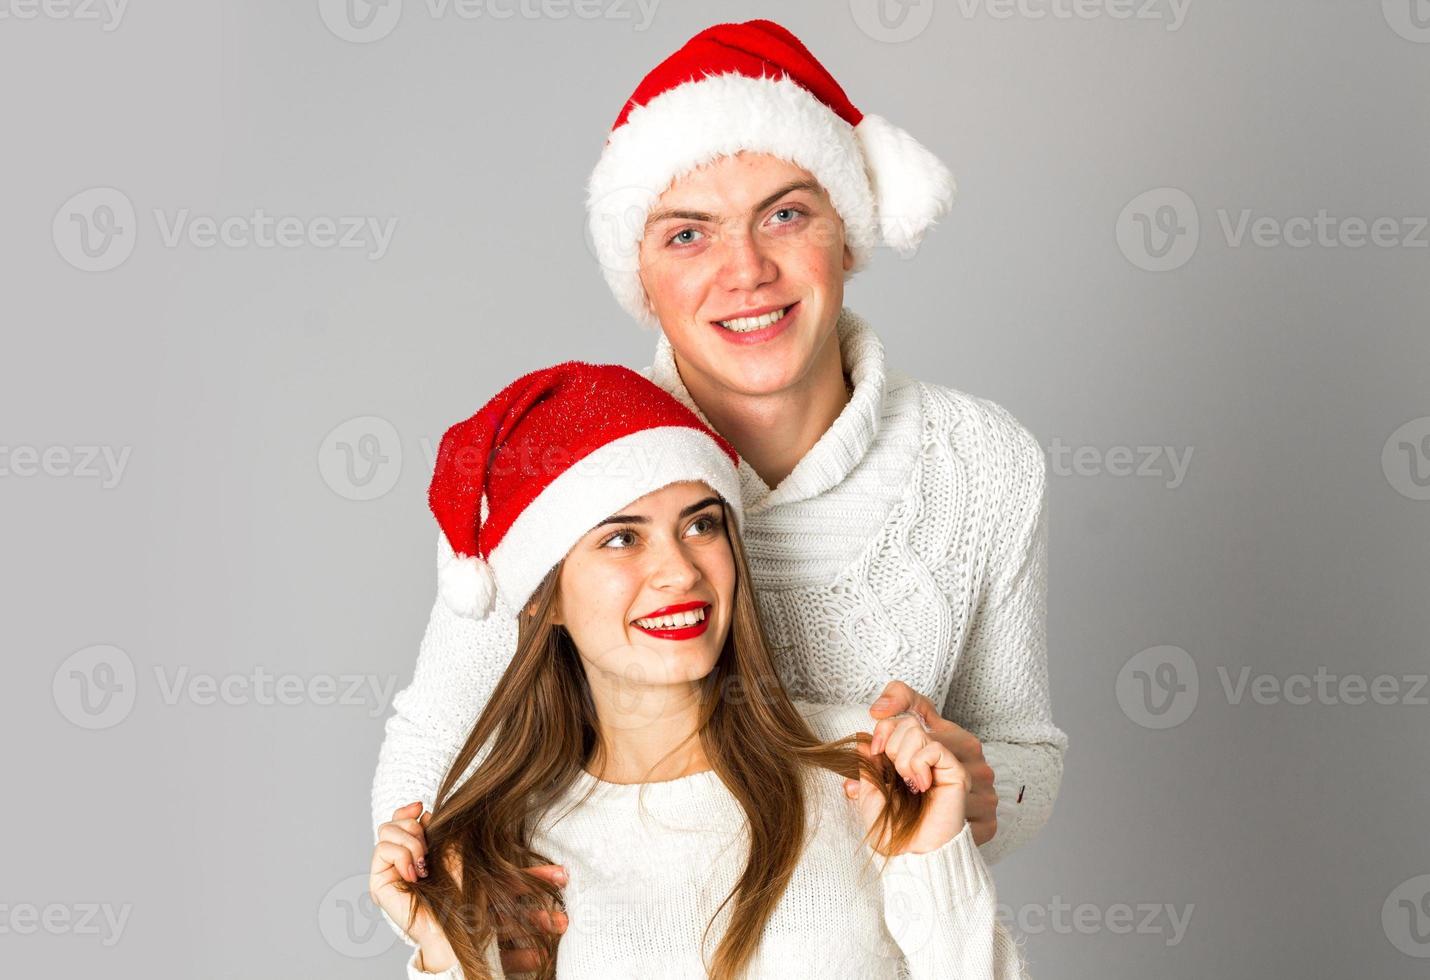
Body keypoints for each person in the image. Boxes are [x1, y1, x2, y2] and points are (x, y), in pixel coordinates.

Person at [372, 16, 1067, 961]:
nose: (746, 271)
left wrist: (973, 800)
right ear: (641, 278)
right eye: (688, 233)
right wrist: (459, 912)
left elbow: (1024, 756)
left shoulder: (983, 463)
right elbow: (435, 747)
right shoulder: (570, 472)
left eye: (786, 213)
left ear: (851, 233)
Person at [370, 362, 1030, 978]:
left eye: (702, 525)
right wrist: (445, 949)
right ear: (545, 597)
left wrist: (936, 859)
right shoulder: (511, 850)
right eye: (622, 538)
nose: (681, 571)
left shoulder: (864, 769)